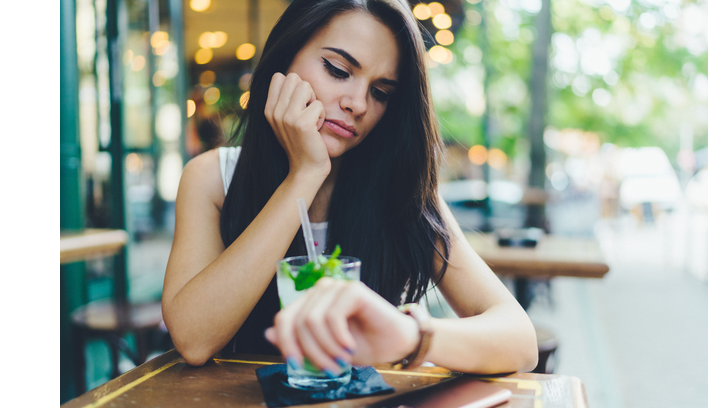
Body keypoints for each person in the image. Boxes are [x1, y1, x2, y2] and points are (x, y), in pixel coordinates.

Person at [162, 0, 538, 376]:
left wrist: (411, 336)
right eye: (338, 70)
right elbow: (193, 339)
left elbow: (519, 340)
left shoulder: (401, 188)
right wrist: (304, 175)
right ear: (284, 60)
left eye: (381, 92)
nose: (358, 103)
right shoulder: (213, 179)